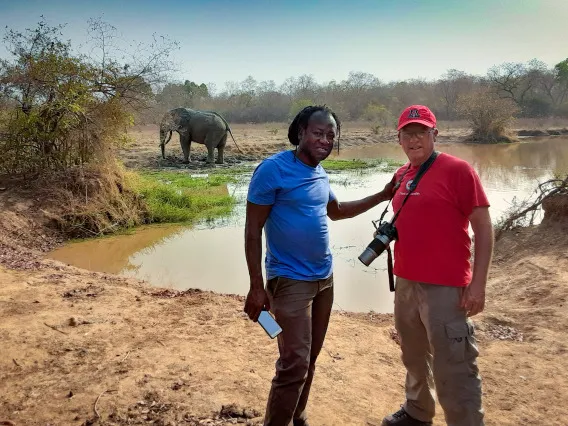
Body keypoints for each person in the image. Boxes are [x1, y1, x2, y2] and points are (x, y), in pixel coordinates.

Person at [244, 105, 394, 426]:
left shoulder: (319, 172)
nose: (325, 140)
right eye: (318, 133)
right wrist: (257, 286)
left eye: (330, 135)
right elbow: (252, 230)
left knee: (310, 358)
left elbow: (336, 210)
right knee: (293, 363)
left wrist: (383, 195)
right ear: (300, 132)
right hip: (289, 282)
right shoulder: (273, 170)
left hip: (324, 280)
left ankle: (297, 415)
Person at [379, 105, 494, 426]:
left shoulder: (458, 170)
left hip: (445, 285)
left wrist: (478, 285)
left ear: (434, 135)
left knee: (454, 364)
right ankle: (417, 412)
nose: (414, 139)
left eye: (421, 132)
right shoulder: (402, 174)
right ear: (399, 138)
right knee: (413, 354)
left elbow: (484, 228)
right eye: (408, 133)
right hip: (405, 282)